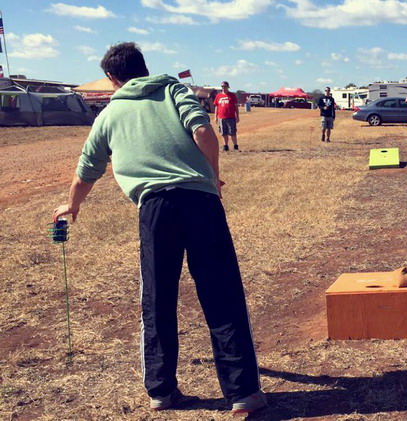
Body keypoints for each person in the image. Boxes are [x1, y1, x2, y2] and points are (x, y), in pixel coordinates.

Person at [51, 42, 266, 416]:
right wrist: (213, 176)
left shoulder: (109, 114)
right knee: (221, 293)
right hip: (200, 202)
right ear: (144, 67)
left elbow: (87, 169)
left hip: (154, 209)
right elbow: (204, 133)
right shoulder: (173, 90)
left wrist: (72, 205)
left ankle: (162, 392)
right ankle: (243, 393)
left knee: (157, 298)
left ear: (112, 78)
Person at [213, 81, 240, 151]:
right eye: (222, 86)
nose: (224, 88)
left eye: (225, 86)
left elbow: (236, 107)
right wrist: (215, 117)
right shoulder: (218, 96)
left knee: (232, 132)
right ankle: (225, 146)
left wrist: (237, 116)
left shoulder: (232, 95)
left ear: (228, 87)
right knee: (223, 133)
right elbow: (216, 107)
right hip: (221, 117)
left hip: (231, 117)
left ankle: (235, 147)